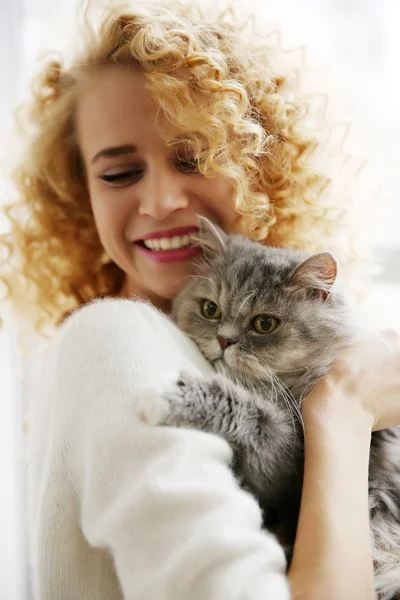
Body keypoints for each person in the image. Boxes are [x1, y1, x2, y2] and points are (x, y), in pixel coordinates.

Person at [0, 1, 399, 599]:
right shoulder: (115, 338)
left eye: (194, 158)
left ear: (254, 161)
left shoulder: (181, 337)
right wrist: (344, 408)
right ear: (80, 195)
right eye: (117, 173)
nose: (161, 201)